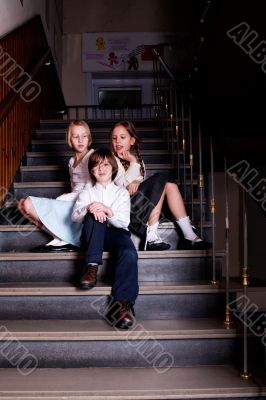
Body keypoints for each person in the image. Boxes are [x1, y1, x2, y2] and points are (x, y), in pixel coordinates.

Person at [110, 120, 212, 251]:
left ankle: (189, 235)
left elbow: (139, 187)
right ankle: (151, 236)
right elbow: (124, 187)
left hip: (141, 205)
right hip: (127, 209)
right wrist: (134, 163)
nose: (118, 141)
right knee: (161, 178)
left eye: (122, 137)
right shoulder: (110, 160)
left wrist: (137, 175)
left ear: (132, 141)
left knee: (170, 185)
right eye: (114, 138)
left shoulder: (139, 160)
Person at [72, 147, 138, 330]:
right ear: (92, 170)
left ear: (113, 168)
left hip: (117, 232)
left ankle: (123, 305)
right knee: (94, 215)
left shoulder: (121, 193)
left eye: (106, 164)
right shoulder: (87, 193)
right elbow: (74, 216)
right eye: (97, 166)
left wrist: (107, 210)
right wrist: (90, 208)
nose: (101, 169)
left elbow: (124, 221)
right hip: (94, 235)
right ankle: (92, 266)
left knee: (129, 253)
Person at [18, 119, 94, 252]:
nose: (80, 140)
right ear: (70, 140)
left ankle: (66, 238)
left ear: (89, 139)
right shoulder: (71, 161)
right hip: (72, 200)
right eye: (76, 137)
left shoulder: (92, 156)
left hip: (83, 202)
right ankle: (61, 237)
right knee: (21, 205)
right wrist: (70, 195)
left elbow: (91, 189)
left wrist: (68, 197)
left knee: (28, 203)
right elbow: (74, 185)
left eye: (84, 136)